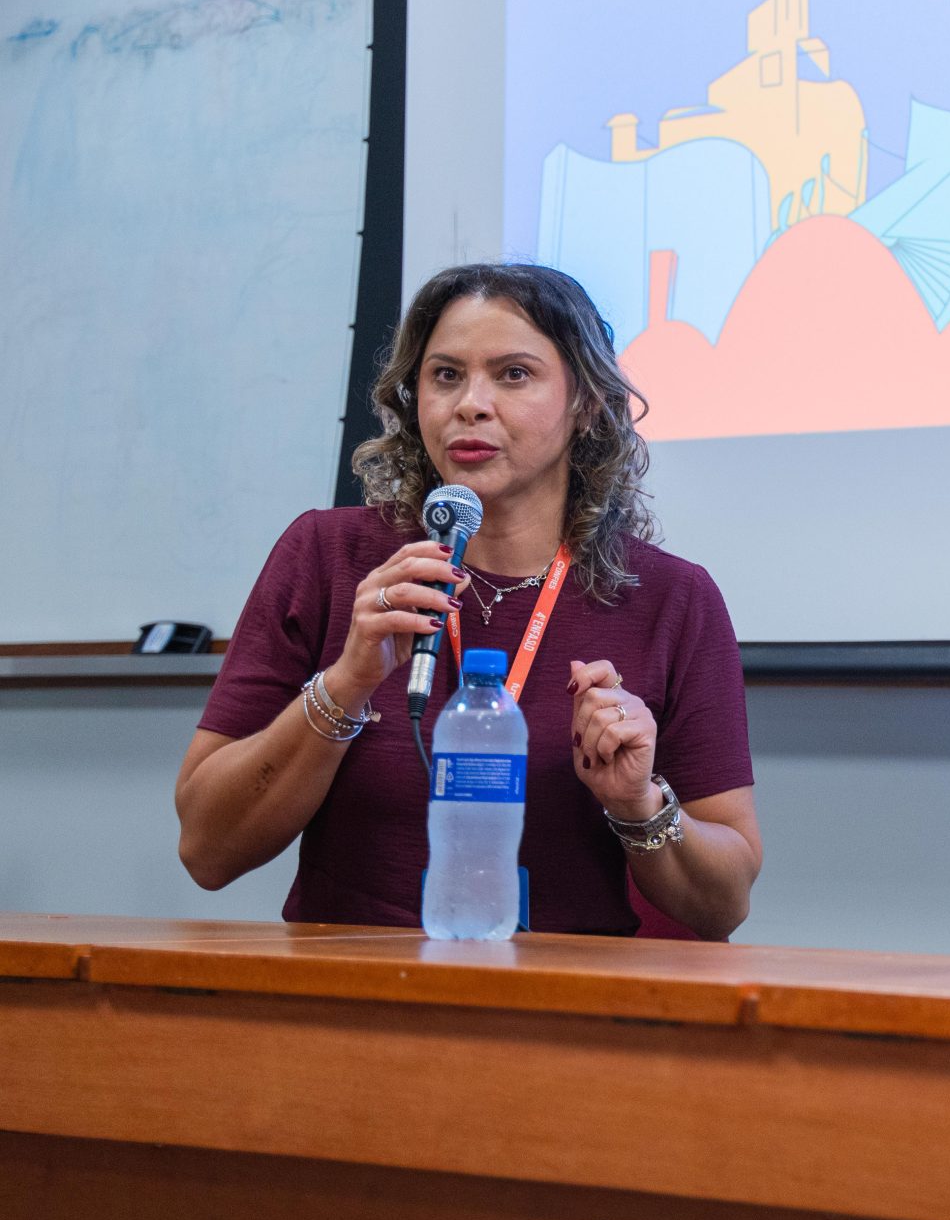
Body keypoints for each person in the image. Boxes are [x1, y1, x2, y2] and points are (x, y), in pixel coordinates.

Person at [176, 263, 761, 939]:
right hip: (351, 990)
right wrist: (345, 685)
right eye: (446, 375)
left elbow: (723, 906)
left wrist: (639, 803)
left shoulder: (671, 599)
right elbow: (207, 850)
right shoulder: (326, 557)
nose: (470, 405)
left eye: (514, 374)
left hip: (570, 996)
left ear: (586, 404)